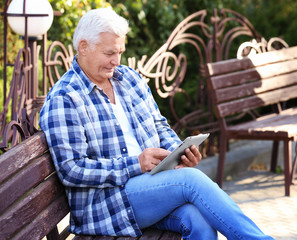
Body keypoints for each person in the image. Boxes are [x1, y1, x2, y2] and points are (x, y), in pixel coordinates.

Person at [39, 8, 274, 240]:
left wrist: (178, 152)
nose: (116, 61)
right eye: (109, 53)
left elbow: (159, 125)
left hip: (149, 189)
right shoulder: (65, 98)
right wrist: (136, 165)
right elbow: (72, 170)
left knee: (198, 220)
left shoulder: (128, 78)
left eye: (120, 52)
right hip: (108, 204)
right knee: (191, 181)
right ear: (83, 47)